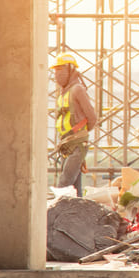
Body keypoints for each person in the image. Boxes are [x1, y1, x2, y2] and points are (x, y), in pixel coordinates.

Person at [50, 52, 98, 196]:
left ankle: (55, 216)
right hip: (67, 145)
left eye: (61, 69)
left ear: (70, 69)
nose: (57, 74)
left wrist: (80, 134)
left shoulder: (78, 90)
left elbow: (92, 117)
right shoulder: (64, 93)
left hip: (76, 144)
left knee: (64, 185)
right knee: (75, 190)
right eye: (55, 70)